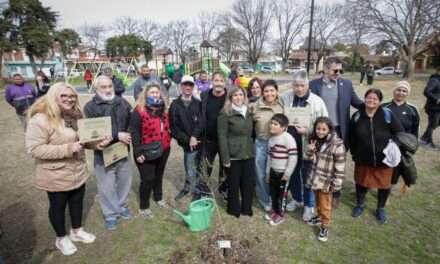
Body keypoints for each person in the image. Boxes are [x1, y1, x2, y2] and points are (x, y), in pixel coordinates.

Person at [25, 82, 110, 255]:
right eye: (64, 95)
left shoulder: (76, 115)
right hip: (55, 174)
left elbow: (83, 141)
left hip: (77, 170)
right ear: (53, 96)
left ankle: (77, 231)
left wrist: (97, 145)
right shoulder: (40, 119)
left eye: (72, 96)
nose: (69, 99)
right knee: (58, 207)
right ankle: (61, 238)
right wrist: (67, 149)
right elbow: (34, 149)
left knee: (77, 202)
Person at [309, 57, 363, 208]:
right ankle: (317, 193)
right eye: (335, 70)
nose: (338, 73)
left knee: (337, 165)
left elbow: (356, 102)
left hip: (339, 131)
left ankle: (335, 195)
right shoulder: (314, 84)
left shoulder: (346, 84)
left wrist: (372, 107)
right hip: (320, 131)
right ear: (326, 69)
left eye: (340, 70)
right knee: (319, 162)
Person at [83, 76, 133, 230]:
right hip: (103, 153)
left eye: (109, 86)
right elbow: (93, 132)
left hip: (123, 149)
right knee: (106, 185)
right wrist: (117, 135)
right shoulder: (90, 107)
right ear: (97, 89)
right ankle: (110, 214)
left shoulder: (123, 102)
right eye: (103, 87)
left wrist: (128, 134)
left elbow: (132, 122)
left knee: (124, 180)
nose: (108, 89)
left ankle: (122, 205)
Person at [349, 88, 403, 224]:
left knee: (384, 186)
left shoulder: (387, 114)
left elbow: (399, 132)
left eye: (375, 99)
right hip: (363, 159)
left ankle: (380, 208)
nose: (371, 101)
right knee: (361, 183)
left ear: (379, 101)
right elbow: (351, 137)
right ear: (365, 99)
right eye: (369, 97)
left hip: (383, 159)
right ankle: (360, 205)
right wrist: (354, 153)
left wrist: (393, 145)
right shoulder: (357, 116)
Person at [281, 70, 328, 221]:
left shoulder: (317, 102)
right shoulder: (286, 97)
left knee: (308, 177)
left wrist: (308, 131)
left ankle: (309, 205)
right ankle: (296, 198)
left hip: (309, 146)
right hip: (290, 146)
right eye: (296, 85)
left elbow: (325, 126)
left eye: (302, 85)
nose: (299, 89)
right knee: (293, 173)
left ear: (307, 85)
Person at [130, 83, 171, 219]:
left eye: (157, 92)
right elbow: (135, 133)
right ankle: (144, 206)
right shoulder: (139, 111)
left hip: (163, 148)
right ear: (146, 94)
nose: (155, 95)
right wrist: (137, 152)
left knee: (158, 175)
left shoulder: (163, 109)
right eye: (152, 92)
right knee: (148, 179)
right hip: (146, 151)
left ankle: (158, 197)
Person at [304, 117, 346, 242]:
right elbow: (308, 158)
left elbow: (340, 166)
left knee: (325, 205)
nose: (320, 132)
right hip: (315, 178)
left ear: (329, 129)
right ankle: (318, 217)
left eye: (324, 129)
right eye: (318, 129)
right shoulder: (315, 140)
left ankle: (325, 226)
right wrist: (310, 151)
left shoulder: (337, 144)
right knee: (318, 201)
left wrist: (337, 183)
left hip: (327, 181)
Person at [218, 87, 255, 218]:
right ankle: (233, 209)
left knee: (248, 183)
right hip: (233, 155)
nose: (238, 97)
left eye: (241, 95)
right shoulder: (225, 113)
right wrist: (225, 158)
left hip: (248, 153)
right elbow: (221, 136)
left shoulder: (249, 112)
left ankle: (246, 208)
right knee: (234, 183)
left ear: (245, 96)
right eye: (235, 95)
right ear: (230, 98)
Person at [249, 79, 284, 211]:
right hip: (261, 144)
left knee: (276, 173)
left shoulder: (282, 104)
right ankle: (264, 198)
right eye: (266, 91)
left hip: (278, 144)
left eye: (272, 90)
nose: (269, 93)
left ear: (276, 91)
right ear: (262, 92)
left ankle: (276, 197)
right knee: (261, 173)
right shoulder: (254, 106)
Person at [169, 75, 204, 201]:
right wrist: (187, 139)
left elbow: (201, 122)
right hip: (186, 144)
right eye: (185, 85)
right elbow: (173, 127)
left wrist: (194, 136)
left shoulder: (198, 103)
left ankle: (197, 190)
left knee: (200, 167)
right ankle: (188, 188)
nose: (188, 87)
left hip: (199, 141)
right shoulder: (175, 105)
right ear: (181, 86)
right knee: (189, 167)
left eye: (190, 85)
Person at [382, 81, 419, 189]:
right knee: (384, 168)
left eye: (404, 91)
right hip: (386, 144)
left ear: (407, 93)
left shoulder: (412, 110)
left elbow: (415, 130)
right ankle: (382, 187)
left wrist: (413, 146)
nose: (400, 93)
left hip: (403, 146)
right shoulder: (384, 107)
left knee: (397, 170)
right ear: (394, 91)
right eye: (398, 90)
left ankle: (389, 190)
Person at [264, 114, 297, 225]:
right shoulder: (271, 139)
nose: (272, 126)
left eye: (275, 124)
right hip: (273, 171)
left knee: (281, 195)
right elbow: (269, 157)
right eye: (271, 123)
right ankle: (275, 211)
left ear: (283, 127)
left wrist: (287, 173)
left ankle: (281, 215)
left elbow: (293, 157)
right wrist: (268, 172)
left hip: (283, 173)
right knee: (273, 193)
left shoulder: (288, 138)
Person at [200, 72, 228, 197]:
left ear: (225, 82)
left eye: (221, 80)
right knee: (206, 166)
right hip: (209, 139)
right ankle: (204, 190)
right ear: (212, 82)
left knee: (225, 166)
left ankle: (223, 189)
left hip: (225, 140)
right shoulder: (204, 95)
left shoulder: (229, 97)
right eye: (216, 80)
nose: (218, 83)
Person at [420, 67, 440, 149]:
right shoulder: (435, 80)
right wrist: (437, 99)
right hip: (433, 107)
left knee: (436, 123)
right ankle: (428, 142)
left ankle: (424, 137)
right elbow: (426, 91)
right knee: (433, 124)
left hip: (438, 108)